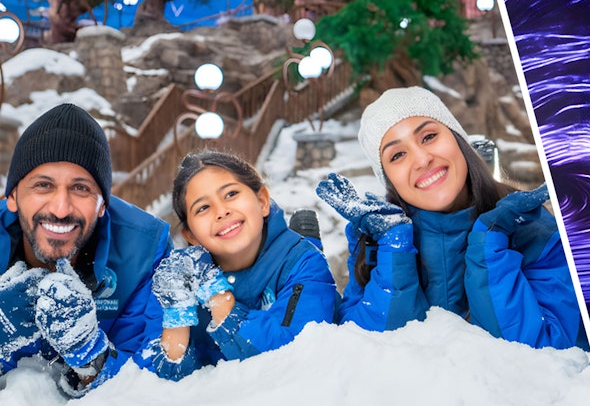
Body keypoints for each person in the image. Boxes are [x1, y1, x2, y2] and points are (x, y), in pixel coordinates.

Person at [316, 86, 587, 350]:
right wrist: (394, 250)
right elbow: (362, 354)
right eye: (397, 155)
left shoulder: (536, 232)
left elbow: (550, 358)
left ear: (459, 141)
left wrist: (489, 243)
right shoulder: (376, 246)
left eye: (429, 137)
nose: (421, 160)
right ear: (389, 181)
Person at [0, 103, 171, 396]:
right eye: (43, 185)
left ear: (103, 204)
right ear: (12, 197)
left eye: (80, 188)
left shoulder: (142, 251)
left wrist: (92, 357)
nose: (61, 208)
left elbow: (150, 378)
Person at [145, 151, 338, 380]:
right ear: (191, 236)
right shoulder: (180, 278)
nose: (221, 211)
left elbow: (294, 352)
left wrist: (217, 296)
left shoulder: (303, 263)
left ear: (262, 201)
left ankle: (306, 237)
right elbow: (160, 381)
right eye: (203, 208)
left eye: (231, 194)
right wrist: (177, 313)